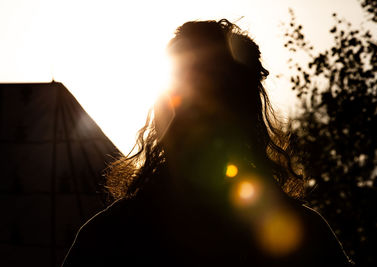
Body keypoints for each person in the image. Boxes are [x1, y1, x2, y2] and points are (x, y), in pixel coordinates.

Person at [62, 19, 354, 266]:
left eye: (212, 96)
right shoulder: (110, 236)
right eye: (181, 97)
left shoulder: (111, 235)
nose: (190, 117)